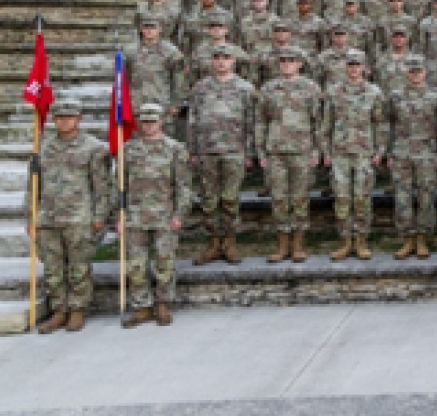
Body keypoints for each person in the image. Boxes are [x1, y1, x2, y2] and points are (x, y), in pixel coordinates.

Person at [29, 99, 114, 334]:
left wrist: (99, 216)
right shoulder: (42, 147)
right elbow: (33, 186)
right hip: (48, 217)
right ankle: (59, 310)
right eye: (59, 117)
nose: (64, 121)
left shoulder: (94, 148)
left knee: (79, 267)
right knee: (52, 269)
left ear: (79, 119)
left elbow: (101, 186)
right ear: (53, 120)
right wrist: (31, 216)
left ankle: (78, 309)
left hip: (80, 217)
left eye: (69, 117)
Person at [121, 103, 192, 328]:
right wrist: (119, 216)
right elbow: (119, 186)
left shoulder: (175, 149)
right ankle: (142, 306)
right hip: (135, 215)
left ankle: (162, 303)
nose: (149, 125)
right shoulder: (128, 150)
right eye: (145, 121)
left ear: (161, 121)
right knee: (136, 265)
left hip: (164, 214)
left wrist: (180, 214)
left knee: (164, 262)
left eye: (153, 121)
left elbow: (183, 185)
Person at [188, 45, 255, 265]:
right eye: (217, 57)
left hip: (234, 151)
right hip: (207, 150)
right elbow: (192, 120)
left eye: (225, 58)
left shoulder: (245, 88)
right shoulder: (201, 88)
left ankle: (230, 242)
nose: (221, 62)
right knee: (209, 200)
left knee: (230, 199)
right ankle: (213, 243)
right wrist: (193, 149)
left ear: (234, 61)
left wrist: (249, 151)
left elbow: (251, 122)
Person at [255, 47, 322, 263]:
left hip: (302, 150)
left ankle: (298, 244)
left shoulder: (310, 88)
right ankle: (282, 244)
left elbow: (319, 123)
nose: (286, 63)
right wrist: (261, 151)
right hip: (275, 151)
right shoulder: (268, 88)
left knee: (300, 198)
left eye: (291, 60)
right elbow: (261, 121)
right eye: (283, 60)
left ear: (300, 63)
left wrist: (317, 150)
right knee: (279, 199)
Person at [321, 49, 387, 261]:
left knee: (362, 198)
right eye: (350, 65)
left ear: (364, 67)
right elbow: (326, 124)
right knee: (341, 198)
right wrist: (325, 151)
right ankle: (345, 241)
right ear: (345, 67)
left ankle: (361, 241)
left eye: (357, 65)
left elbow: (380, 123)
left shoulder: (373, 92)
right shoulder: (333, 91)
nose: (354, 69)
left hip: (363, 153)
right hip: (339, 153)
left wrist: (380, 150)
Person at [387, 56, 437, 260]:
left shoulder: (436, 96)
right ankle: (407, 239)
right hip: (401, 152)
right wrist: (388, 152)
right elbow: (388, 125)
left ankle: (422, 239)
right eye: (412, 71)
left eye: (419, 71)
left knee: (426, 196)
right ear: (406, 73)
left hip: (426, 152)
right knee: (402, 197)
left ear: (425, 73)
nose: (415, 74)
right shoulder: (395, 96)